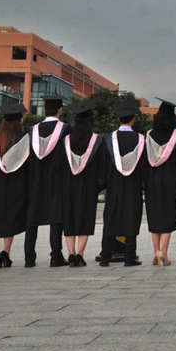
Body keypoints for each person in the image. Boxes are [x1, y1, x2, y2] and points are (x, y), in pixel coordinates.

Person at [0, 104, 31, 269]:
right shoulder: (23, 140)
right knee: (10, 219)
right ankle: (6, 252)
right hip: (15, 187)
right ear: (19, 121)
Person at [99, 99, 145, 267]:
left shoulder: (108, 139)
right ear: (133, 119)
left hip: (113, 186)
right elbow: (143, 167)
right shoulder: (140, 140)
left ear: (119, 119)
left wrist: (103, 183)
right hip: (133, 186)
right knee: (131, 218)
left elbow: (103, 165)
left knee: (111, 219)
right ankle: (129, 257)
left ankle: (105, 257)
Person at [25, 95, 70, 268]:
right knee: (56, 216)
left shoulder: (31, 131)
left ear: (44, 110)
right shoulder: (65, 130)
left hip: (35, 180)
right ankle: (56, 255)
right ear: (60, 110)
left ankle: (29, 257)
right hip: (57, 179)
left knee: (32, 216)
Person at [61, 99, 104, 267]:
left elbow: (60, 165)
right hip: (88, 186)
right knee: (85, 218)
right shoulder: (96, 141)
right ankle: (80, 253)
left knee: (69, 217)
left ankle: (70, 253)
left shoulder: (66, 141)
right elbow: (102, 167)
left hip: (68, 185)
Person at [144, 98, 176, 266]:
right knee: (168, 216)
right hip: (171, 182)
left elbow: (143, 162)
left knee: (154, 216)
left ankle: (156, 251)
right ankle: (164, 252)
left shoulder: (148, 135)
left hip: (152, 181)